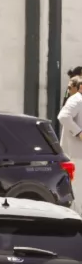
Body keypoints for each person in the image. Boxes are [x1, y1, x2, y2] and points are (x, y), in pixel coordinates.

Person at [58, 76, 82, 213]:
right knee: (77, 189)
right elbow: (63, 116)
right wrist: (79, 133)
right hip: (75, 154)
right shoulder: (76, 99)